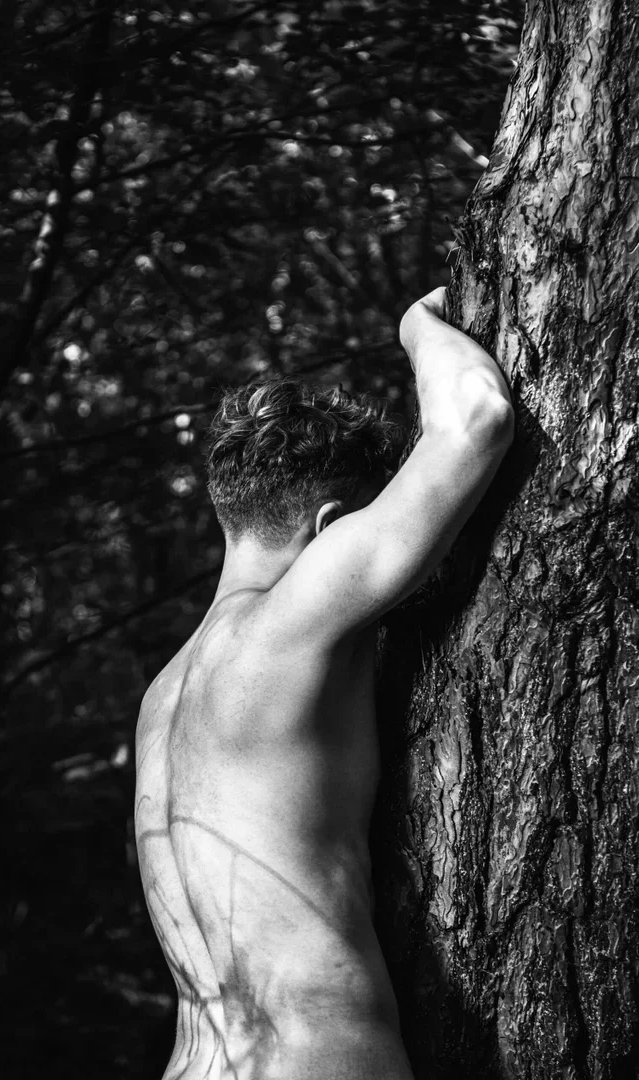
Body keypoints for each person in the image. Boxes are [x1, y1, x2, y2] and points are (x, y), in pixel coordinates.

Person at [134, 285, 514, 1080]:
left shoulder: (162, 697)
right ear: (332, 524)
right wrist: (416, 324)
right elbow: (477, 418)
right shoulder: (297, 613)